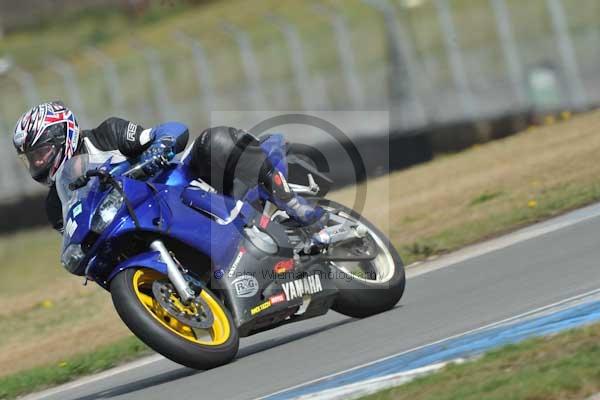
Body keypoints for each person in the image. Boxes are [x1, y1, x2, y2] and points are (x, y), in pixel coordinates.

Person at [12, 101, 324, 233]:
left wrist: (159, 149)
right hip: (145, 223)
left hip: (180, 184)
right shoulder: (56, 205)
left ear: (63, 136)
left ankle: (294, 204)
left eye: (40, 153)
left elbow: (171, 130)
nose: (37, 164)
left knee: (213, 141)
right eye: (30, 158)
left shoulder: (106, 136)